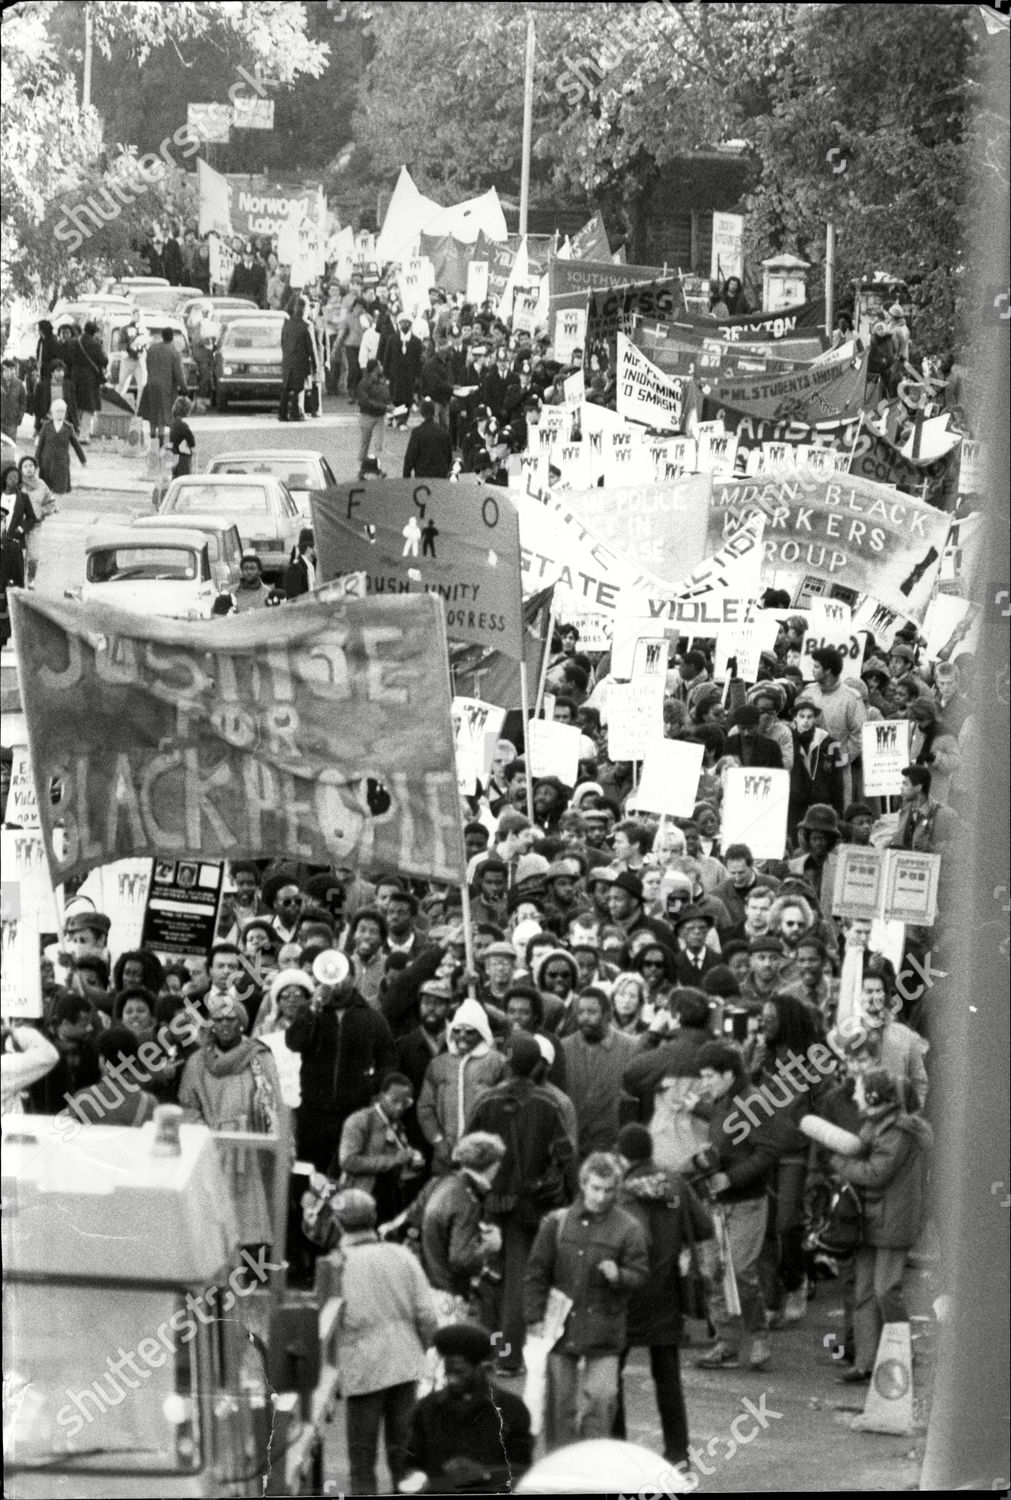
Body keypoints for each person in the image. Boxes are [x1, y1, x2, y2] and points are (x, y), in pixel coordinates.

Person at [316, 1188, 438, 1497]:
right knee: (404, 1457)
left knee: (362, 1461)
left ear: (339, 1225)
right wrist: (421, 1349)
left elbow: (325, 1325)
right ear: (374, 1219)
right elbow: (426, 1315)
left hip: (362, 1369)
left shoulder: (334, 1265)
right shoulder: (403, 1255)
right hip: (405, 1363)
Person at [468, 1033, 578, 1375]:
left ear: (505, 1061)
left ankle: (489, 1351)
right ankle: (509, 1357)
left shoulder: (486, 1101)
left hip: (489, 1202)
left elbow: (467, 1152)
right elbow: (566, 1156)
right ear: (537, 1066)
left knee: (490, 1281)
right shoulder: (548, 1104)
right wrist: (573, 1198)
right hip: (530, 1206)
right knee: (518, 1281)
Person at [524, 1152, 649, 1448]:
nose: (601, 1197)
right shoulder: (557, 1223)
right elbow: (536, 1272)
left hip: (605, 1325)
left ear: (616, 1190)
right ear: (583, 1185)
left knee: (602, 1401)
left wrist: (619, 1275)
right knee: (560, 1405)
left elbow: (641, 1274)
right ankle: (561, 1463)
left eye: (608, 1190)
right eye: (595, 1188)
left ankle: (590, 1459)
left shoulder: (628, 1228)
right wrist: (534, 1317)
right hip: (560, 1325)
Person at [613, 1122, 714, 1467]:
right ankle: (678, 1452)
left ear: (623, 1156)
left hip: (626, 1292)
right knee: (667, 1375)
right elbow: (704, 1228)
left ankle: (618, 1451)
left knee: (612, 1371)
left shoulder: (618, 1191)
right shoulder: (676, 1184)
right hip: (667, 1291)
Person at [827, 1068, 932, 1384]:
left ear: (873, 1096)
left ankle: (902, 1355)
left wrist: (840, 1163)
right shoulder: (876, 1125)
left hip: (892, 1220)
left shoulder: (897, 1132)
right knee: (865, 1291)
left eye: (859, 1090)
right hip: (872, 1218)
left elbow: (876, 1173)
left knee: (885, 1289)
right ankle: (866, 1361)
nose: (855, 1094)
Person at [691, 1042, 783, 1372]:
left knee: (742, 1271)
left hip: (746, 1202)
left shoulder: (755, 1102)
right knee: (712, 1270)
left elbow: (768, 1152)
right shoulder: (721, 1100)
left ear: (729, 1075)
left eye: (709, 1077)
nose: (704, 1084)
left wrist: (730, 1178)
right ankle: (726, 1342)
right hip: (716, 1203)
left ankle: (758, 1335)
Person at [177, 993, 287, 1249]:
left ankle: (252, 1268)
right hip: (215, 1144)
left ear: (241, 1023)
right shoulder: (197, 1062)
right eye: (219, 1019)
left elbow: (276, 1100)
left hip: (255, 1143)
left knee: (255, 1214)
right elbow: (188, 1107)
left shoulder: (260, 1056)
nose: (225, 1024)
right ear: (212, 1024)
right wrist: (206, 1134)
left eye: (231, 1019)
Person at [285, 949, 397, 1174]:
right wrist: (313, 1009)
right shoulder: (311, 1012)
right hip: (313, 1111)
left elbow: (388, 1061)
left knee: (346, 1173)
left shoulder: (371, 1018)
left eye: (342, 975)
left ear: (352, 978)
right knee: (308, 1173)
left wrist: (368, 1085)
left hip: (352, 1112)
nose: (335, 982)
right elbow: (294, 1042)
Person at [401, 1322, 533, 1494]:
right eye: (448, 1373)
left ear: (481, 1368)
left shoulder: (510, 1409)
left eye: (460, 1372)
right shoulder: (427, 1409)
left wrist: (485, 1475)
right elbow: (411, 1463)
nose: (452, 1380)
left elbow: (523, 1473)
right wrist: (419, 1479)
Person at [419, 1130, 507, 1323]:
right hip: (448, 1296)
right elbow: (461, 1260)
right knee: (452, 1351)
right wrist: (489, 1246)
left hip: (425, 1288)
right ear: (493, 1165)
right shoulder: (468, 1199)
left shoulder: (438, 1184)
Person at [417, 998, 506, 1173]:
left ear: (481, 1032)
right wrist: (438, 1141)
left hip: (483, 1155)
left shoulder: (497, 1062)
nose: (462, 1036)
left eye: (469, 1031)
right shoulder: (439, 1064)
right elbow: (425, 1107)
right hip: (446, 1155)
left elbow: (505, 1108)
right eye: (457, 1030)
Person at [337, 1071, 424, 1225]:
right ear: (381, 1096)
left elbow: (400, 1168)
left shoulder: (397, 1124)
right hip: (362, 1200)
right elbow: (348, 1161)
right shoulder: (360, 1120)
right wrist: (394, 1160)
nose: (399, 1108)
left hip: (390, 1201)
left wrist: (413, 1164)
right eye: (394, 1101)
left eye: (405, 1103)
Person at [561, 988, 638, 1158]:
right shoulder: (563, 1048)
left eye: (592, 1012)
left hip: (614, 1147)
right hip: (574, 1146)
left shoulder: (632, 1048)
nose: (585, 1017)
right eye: (580, 1012)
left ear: (607, 1014)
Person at [804, 647, 866, 805]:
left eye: (816, 667)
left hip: (837, 769)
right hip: (808, 766)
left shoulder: (851, 698)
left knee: (837, 814)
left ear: (828, 670)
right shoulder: (807, 693)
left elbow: (859, 736)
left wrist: (841, 760)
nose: (812, 670)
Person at [890, 764, 958, 853]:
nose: (901, 788)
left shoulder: (944, 814)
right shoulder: (905, 811)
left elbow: (957, 851)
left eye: (905, 784)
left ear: (918, 788)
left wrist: (932, 848)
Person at [143, 326, 186, 446]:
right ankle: (160, 443)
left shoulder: (152, 349)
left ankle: (152, 439)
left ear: (162, 336)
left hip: (151, 384)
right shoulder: (174, 352)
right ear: (172, 337)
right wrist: (184, 388)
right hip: (166, 387)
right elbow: (178, 373)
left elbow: (148, 366)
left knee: (153, 414)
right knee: (162, 416)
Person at [279, 295, 317, 423]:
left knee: (286, 387)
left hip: (287, 360)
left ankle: (282, 414)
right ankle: (297, 413)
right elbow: (312, 348)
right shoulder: (307, 326)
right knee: (299, 388)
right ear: (305, 309)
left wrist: (286, 355)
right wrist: (315, 365)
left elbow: (282, 342)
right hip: (301, 361)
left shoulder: (287, 323)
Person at [34, 400, 85, 494]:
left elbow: (77, 446)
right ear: (52, 412)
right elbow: (40, 446)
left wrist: (83, 460)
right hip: (47, 462)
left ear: (65, 413)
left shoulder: (69, 427)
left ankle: (57, 507)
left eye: (62, 411)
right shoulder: (46, 426)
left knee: (59, 490)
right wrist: (35, 462)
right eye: (57, 411)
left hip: (62, 463)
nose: (60, 413)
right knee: (46, 490)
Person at [71, 322, 107, 444]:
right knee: (88, 407)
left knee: (77, 405)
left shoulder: (76, 341)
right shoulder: (95, 344)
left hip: (75, 375)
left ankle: (74, 431)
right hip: (89, 377)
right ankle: (83, 435)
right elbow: (103, 360)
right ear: (94, 332)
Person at [356, 356, 391, 479]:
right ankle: (362, 469)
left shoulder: (378, 380)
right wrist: (384, 407)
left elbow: (386, 394)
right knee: (365, 444)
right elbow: (366, 402)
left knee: (378, 445)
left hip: (376, 415)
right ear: (375, 369)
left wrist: (387, 405)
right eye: (379, 365)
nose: (381, 367)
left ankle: (377, 468)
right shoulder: (364, 383)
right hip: (368, 415)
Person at [403, 396, 454, 479]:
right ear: (433, 412)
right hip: (440, 476)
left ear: (422, 412)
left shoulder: (417, 432)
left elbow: (410, 457)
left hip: (423, 477)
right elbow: (449, 456)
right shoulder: (443, 432)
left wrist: (406, 476)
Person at [228, 243, 268, 308]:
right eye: (246, 255)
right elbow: (232, 286)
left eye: (250, 255)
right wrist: (230, 300)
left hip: (253, 302)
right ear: (243, 255)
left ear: (253, 256)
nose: (248, 257)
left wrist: (263, 303)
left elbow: (262, 288)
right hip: (239, 302)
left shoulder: (260, 269)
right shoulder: (238, 268)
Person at [283, 528, 316, 600]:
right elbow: (294, 597)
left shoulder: (313, 565)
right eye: (316, 546)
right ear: (309, 548)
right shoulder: (295, 569)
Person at [167, 396, 196, 479]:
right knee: (184, 479)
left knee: (175, 479)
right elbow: (191, 441)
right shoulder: (183, 425)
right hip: (183, 458)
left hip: (175, 456)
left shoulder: (173, 423)